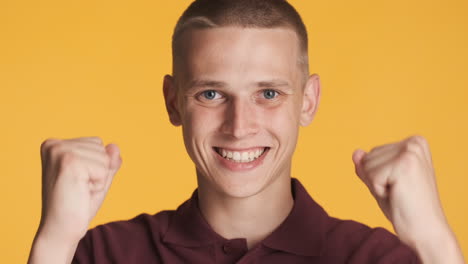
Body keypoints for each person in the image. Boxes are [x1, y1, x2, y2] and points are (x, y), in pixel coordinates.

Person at [28, 0, 465, 263]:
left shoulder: (377, 259)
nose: (240, 127)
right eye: (212, 94)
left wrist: (435, 243)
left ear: (308, 101)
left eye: (269, 94)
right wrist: (54, 242)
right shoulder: (102, 255)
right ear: (173, 101)